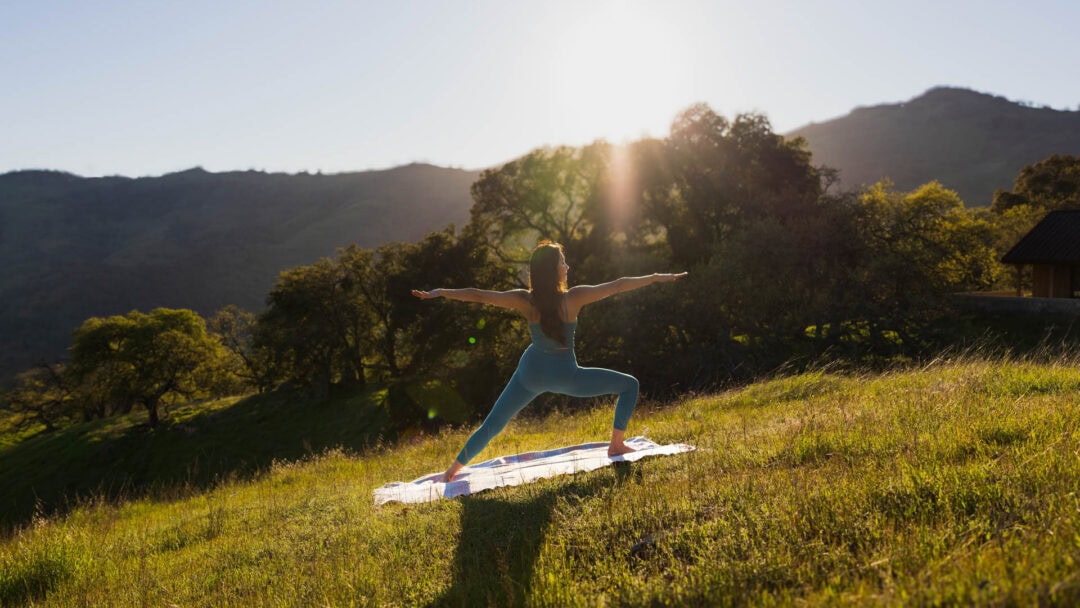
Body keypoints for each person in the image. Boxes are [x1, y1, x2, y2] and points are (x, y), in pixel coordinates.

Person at [412, 240, 687, 482]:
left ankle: (452, 471)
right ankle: (616, 445)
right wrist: (654, 277)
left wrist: (439, 292)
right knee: (630, 385)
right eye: (562, 262)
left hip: (529, 372)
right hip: (565, 376)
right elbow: (618, 285)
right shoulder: (574, 298)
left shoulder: (525, 301)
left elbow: (479, 294)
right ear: (554, 270)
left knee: (493, 424)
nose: (567, 266)